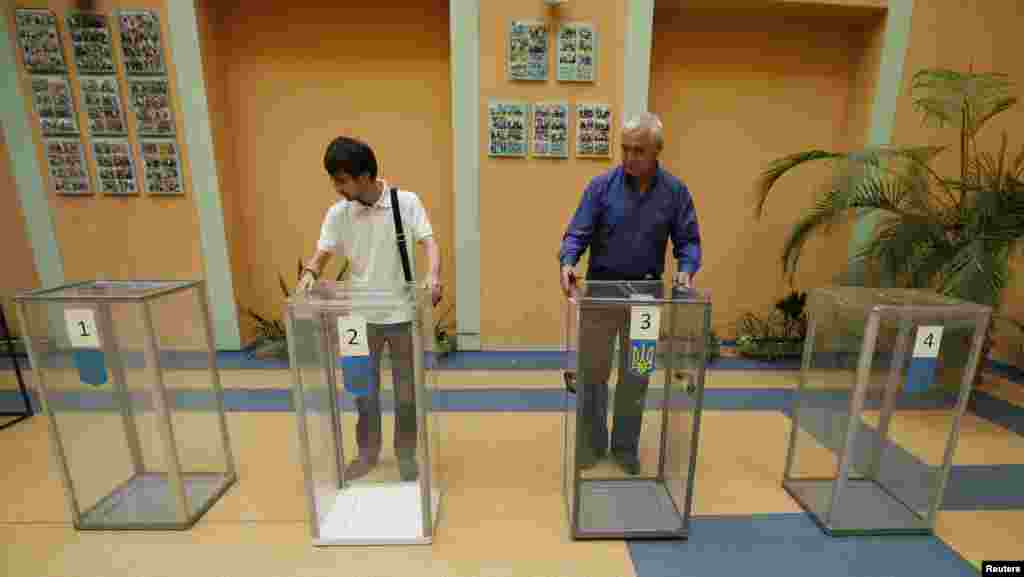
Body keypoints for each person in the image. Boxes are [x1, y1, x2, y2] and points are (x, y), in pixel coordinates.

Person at [558, 112, 702, 475]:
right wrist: (568, 261)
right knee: (593, 374)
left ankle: (625, 448)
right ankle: (591, 446)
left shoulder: (675, 192)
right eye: (624, 149)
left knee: (636, 374)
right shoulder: (600, 187)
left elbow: (688, 241)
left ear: (657, 151)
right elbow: (577, 233)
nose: (629, 157)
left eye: (638, 150)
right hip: (601, 297)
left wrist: (686, 270)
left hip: (647, 297)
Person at [297, 136, 442, 482]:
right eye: (333, 179)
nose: (337, 187)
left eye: (342, 180)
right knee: (362, 390)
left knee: (407, 392)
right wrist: (309, 275)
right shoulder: (338, 213)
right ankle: (367, 452)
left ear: (365, 176)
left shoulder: (405, 202)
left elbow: (429, 242)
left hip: (402, 316)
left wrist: (433, 275)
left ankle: (406, 453)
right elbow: (322, 254)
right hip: (355, 318)